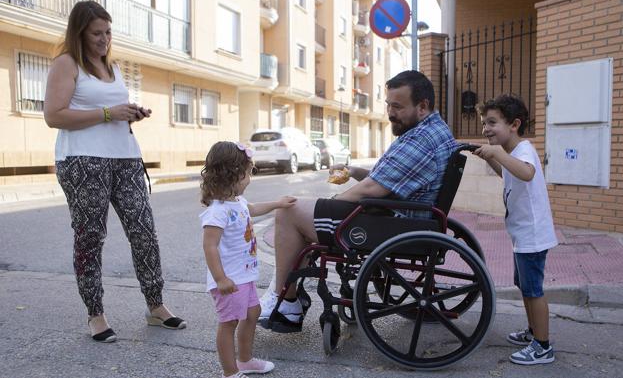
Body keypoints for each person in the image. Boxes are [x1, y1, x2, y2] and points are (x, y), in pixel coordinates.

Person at [259, 70, 458, 329]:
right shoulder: (429, 131)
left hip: (393, 224)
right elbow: (384, 180)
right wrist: (353, 172)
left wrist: (332, 203)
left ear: (422, 106)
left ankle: (287, 304)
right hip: (401, 217)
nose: (390, 112)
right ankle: (288, 295)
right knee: (302, 213)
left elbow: (372, 189)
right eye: (388, 105)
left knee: (288, 212)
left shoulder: (422, 140)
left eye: (397, 106)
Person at [43, 1, 185, 343]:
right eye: (97, 33)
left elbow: (109, 109)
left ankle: (156, 306)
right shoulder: (67, 63)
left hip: (125, 157)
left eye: (108, 32)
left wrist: (130, 112)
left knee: (144, 231)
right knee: (90, 237)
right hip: (82, 160)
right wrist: (108, 113)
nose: (104, 39)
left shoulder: (114, 67)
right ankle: (96, 314)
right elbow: (54, 115)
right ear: (80, 33)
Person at [472, 94, 558, 365]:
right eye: (484, 123)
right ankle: (533, 333)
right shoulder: (511, 154)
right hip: (522, 234)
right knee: (524, 286)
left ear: (514, 124)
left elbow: (527, 173)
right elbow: (508, 174)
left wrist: (497, 153)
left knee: (533, 290)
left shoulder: (524, 150)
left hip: (532, 235)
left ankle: (543, 347)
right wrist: (492, 159)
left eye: (492, 122)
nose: (486, 129)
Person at [200, 141, 296, 378]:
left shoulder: (237, 202)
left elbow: (252, 208)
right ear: (232, 175)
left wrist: (277, 204)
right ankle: (230, 372)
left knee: (253, 313)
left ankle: (245, 360)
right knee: (229, 323)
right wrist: (220, 279)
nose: (249, 180)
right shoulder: (217, 210)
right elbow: (209, 246)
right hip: (229, 280)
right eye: (247, 175)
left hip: (244, 276)